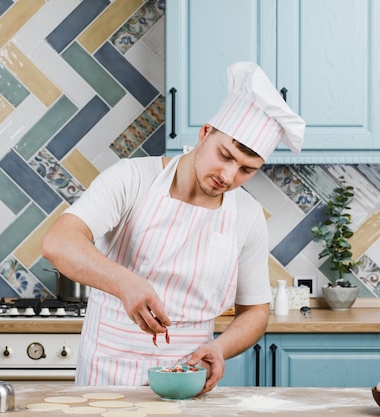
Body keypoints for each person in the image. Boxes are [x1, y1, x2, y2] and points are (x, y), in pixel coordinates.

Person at [41, 62, 305, 393]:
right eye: (224, 155)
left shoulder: (248, 215)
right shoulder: (132, 178)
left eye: (246, 170)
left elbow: (254, 310)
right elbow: (59, 242)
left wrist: (219, 348)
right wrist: (126, 284)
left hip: (188, 380)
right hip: (108, 378)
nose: (228, 176)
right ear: (205, 132)